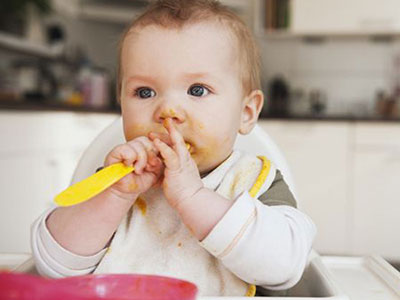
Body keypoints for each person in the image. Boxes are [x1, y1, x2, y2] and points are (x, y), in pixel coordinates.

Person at [31, 0, 316, 296]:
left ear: (246, 112)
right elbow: (53, 266)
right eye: (144, 92)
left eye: (197, 90)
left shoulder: (254, 182)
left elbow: (286, 265)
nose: (167, 110)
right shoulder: (117, 182)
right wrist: (114, 196)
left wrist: (192, 197)